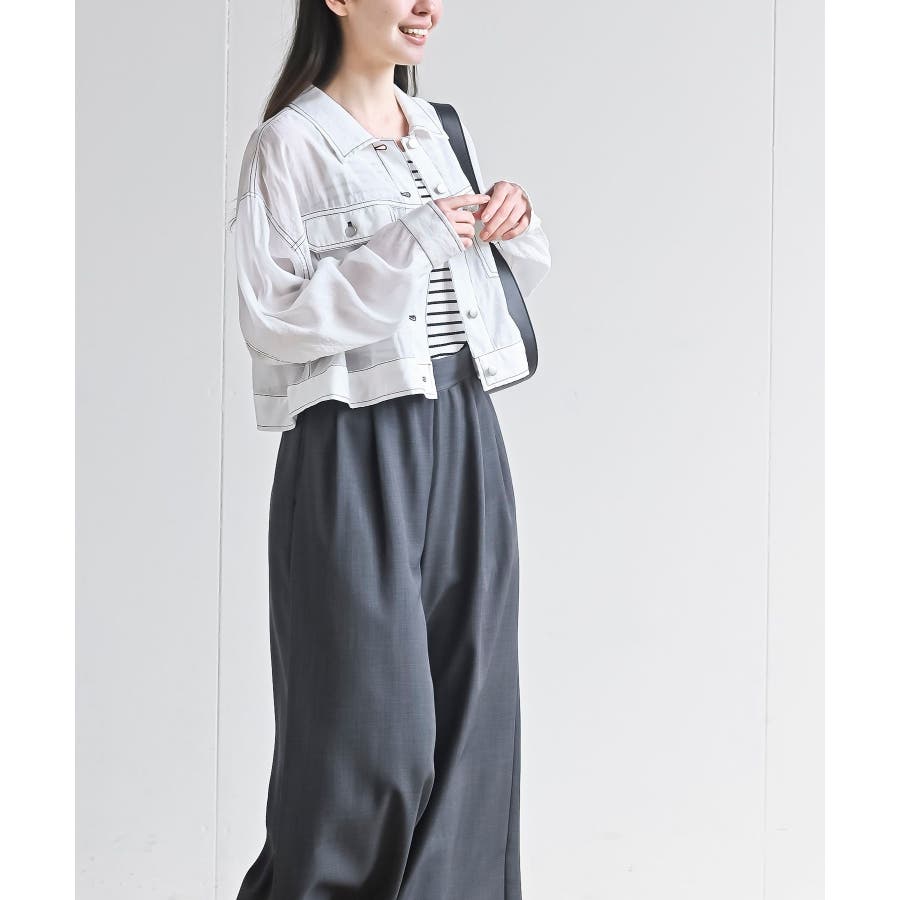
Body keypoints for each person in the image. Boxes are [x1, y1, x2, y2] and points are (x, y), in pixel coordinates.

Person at [230, 1, 551, 897]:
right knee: (369, 735)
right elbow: (271, 317)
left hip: (465, 428)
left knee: (475, 722)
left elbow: (480, 291)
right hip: (353, 441)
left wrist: (513, 222)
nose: (426, 6)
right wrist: (411, 239)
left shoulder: (441, 130)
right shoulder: (289, 145)